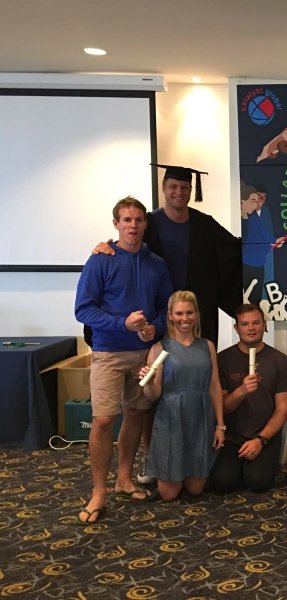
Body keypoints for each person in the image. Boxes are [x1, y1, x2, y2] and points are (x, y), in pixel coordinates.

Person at [92, 164, 242, 484]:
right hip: (159, 322)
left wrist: (267, 242)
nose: (179, 192)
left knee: (196, 386)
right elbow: (126, 246)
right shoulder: (152, 223)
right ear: (163, 188)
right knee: (156, 394)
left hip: (194, 318)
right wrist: (104, 243)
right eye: (173, 186)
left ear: (192, 191)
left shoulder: (204, 224)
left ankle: (197, 455)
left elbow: (233, 251)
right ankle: (155, 458)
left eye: (184, 188)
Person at [74, 196, 172, 523]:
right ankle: (98, 491)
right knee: (103, 420)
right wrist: (122, 324)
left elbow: (164, 310)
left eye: (139, 220)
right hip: (108, 352)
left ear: (145, 224)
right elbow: (83, 310)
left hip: (143, 353)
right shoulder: (100, 260)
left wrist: (154, 329)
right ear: (116, 223)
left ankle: (124, 479)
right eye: (126, 220)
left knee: (136, 414)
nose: (133, 225)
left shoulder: (156, 263)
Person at [138, 290, 225, 501]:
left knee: (196, 490)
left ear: (196, 314)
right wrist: (147, 382)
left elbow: (214, 386)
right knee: (169, 495)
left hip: (200, 418)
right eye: (178, 314)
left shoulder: (208, 346)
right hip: (171, 419)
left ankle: (181, 472)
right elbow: (153, 395)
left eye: (189, 313)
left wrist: (220, 425)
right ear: (170, 315)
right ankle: (162, 470)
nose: (184, 319)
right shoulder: (159, 348)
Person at [209, 303, 287, 493]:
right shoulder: (223, 359)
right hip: (231, 436)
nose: (251, 328)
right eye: (245, 324)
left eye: (256, 323)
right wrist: (241, 391)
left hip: (263, 435)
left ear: (264, 325)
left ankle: (251, 467)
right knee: (222, 484)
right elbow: (221, 408)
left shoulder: (279, 361)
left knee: (258, 482)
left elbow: (283, 409)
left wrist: (261, 440)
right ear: (236, 328)